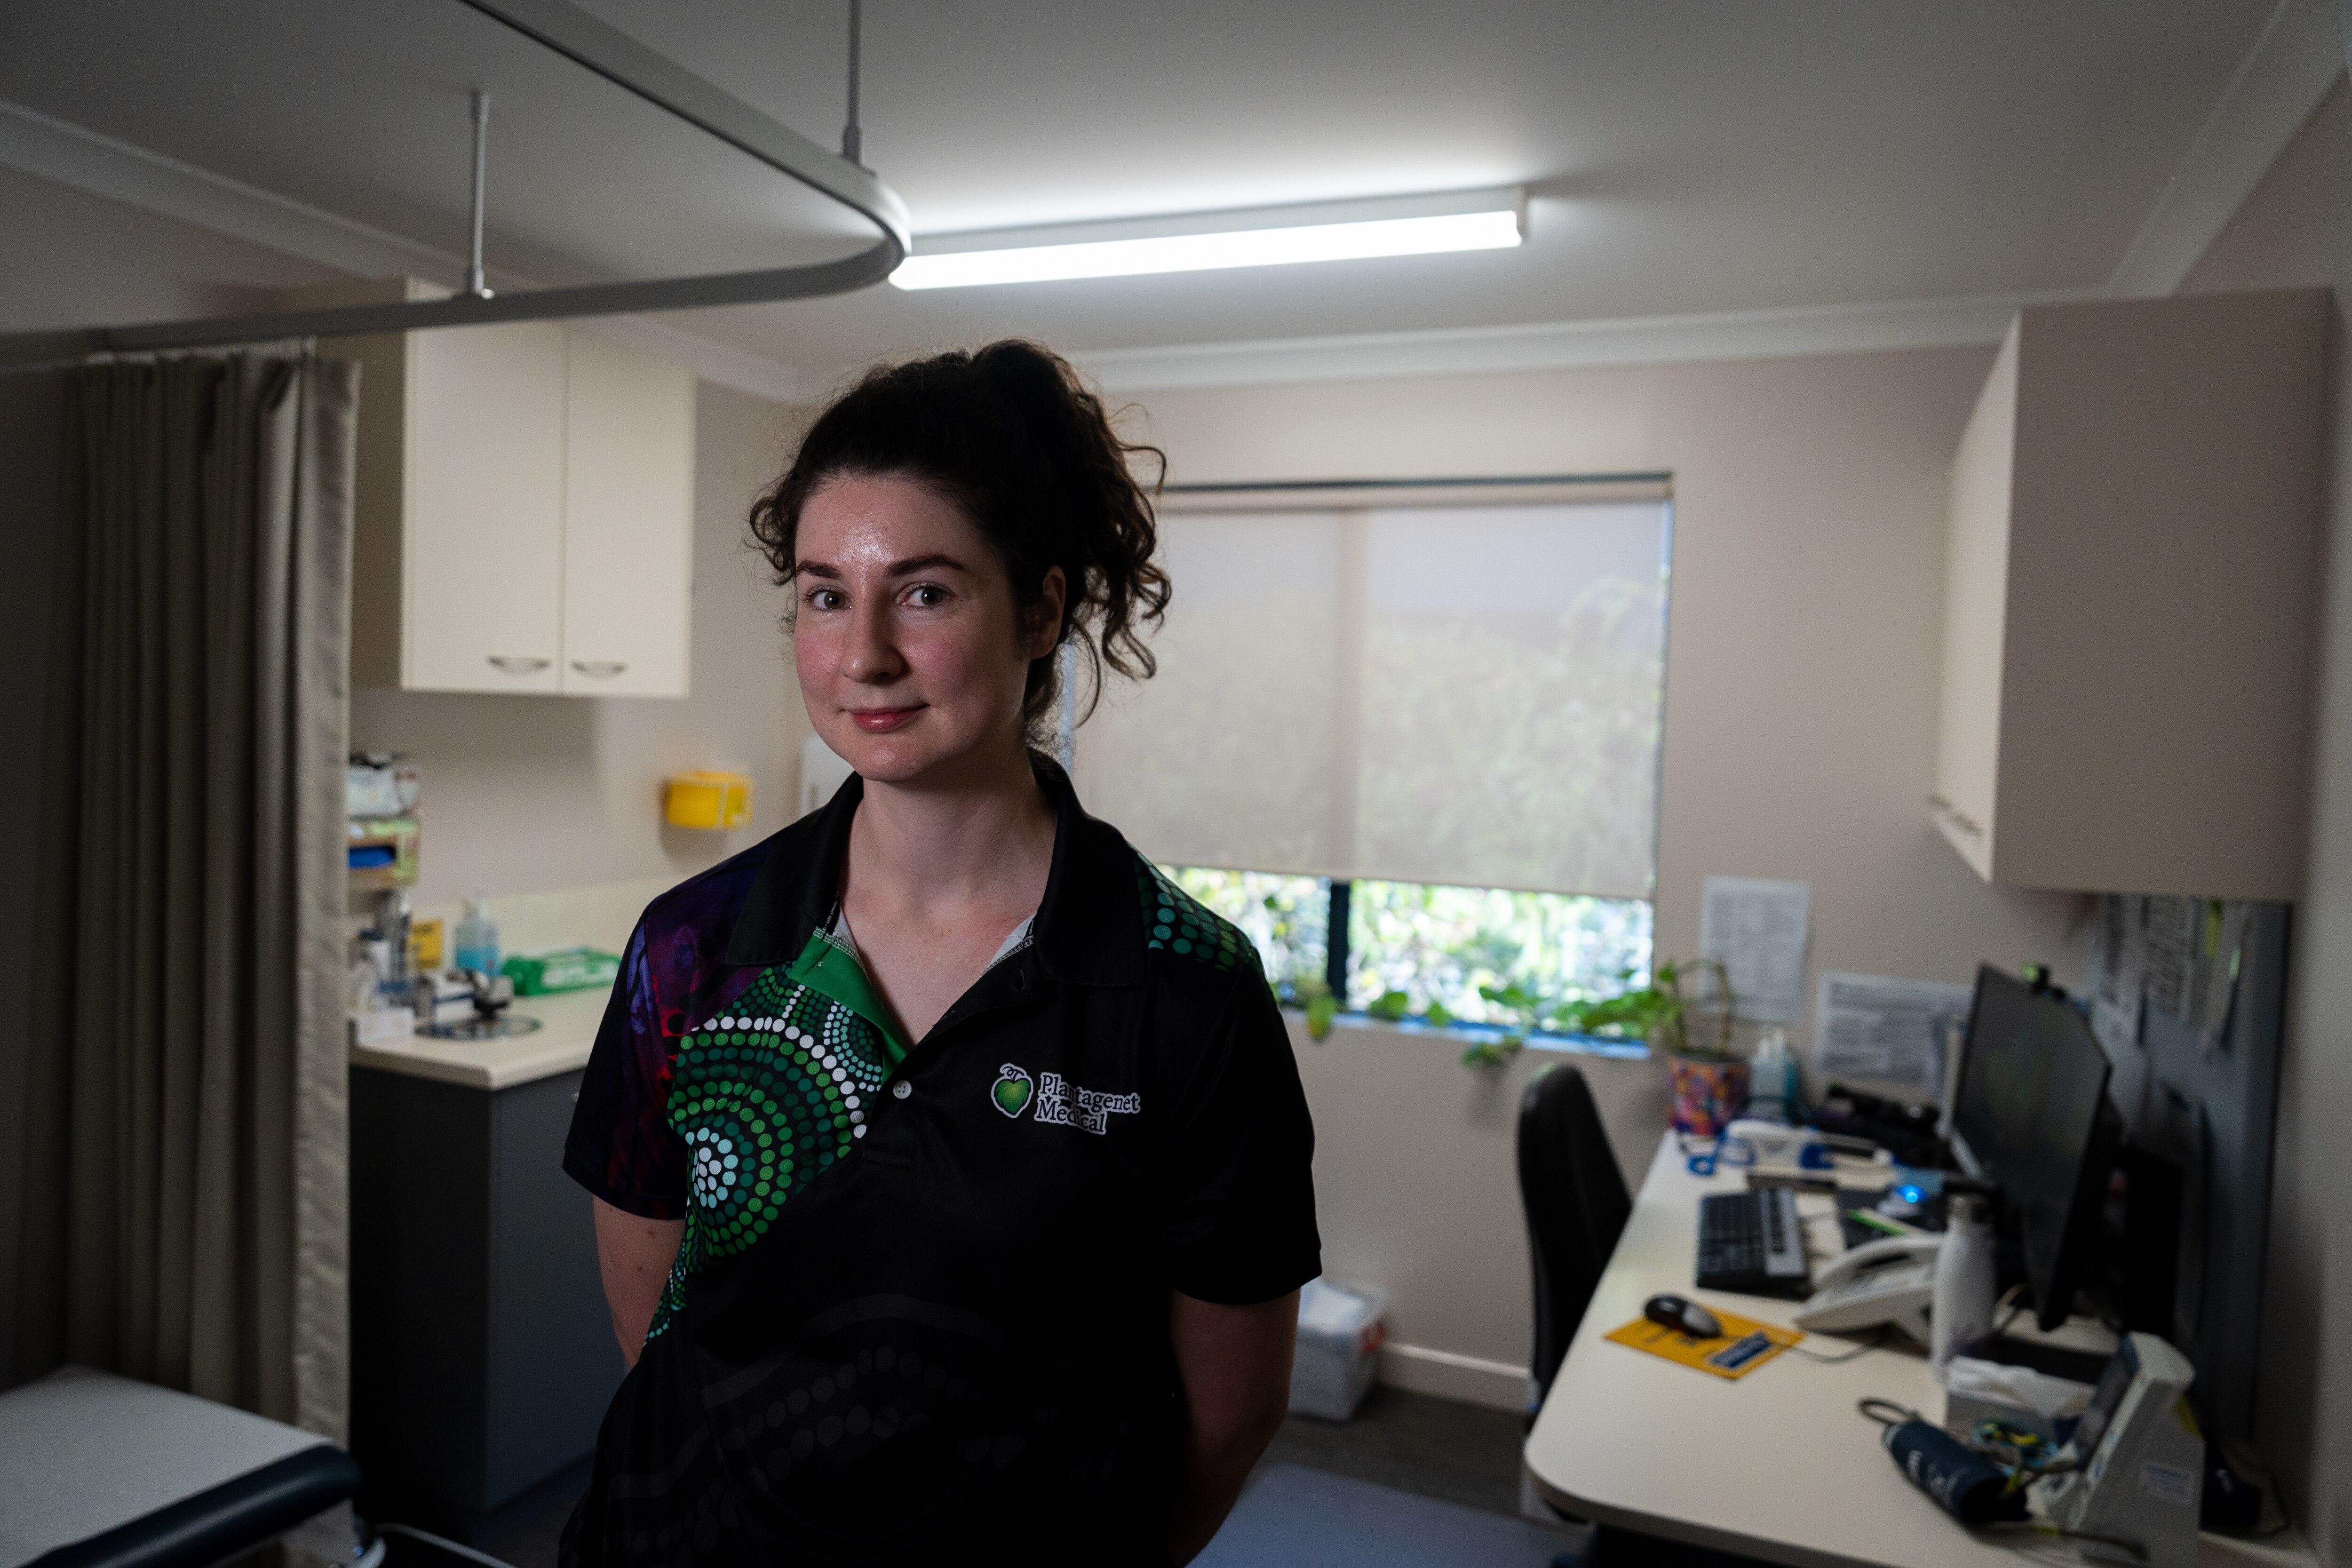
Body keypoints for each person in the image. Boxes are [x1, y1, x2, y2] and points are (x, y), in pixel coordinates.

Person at [559, 341, 1320, 1566]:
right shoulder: (692, 953)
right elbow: (659, 1323)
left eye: (923, 591)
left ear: (1041, 609)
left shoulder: (1184, 988)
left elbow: (1229, 1413)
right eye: (823, 593)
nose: (862, 654)